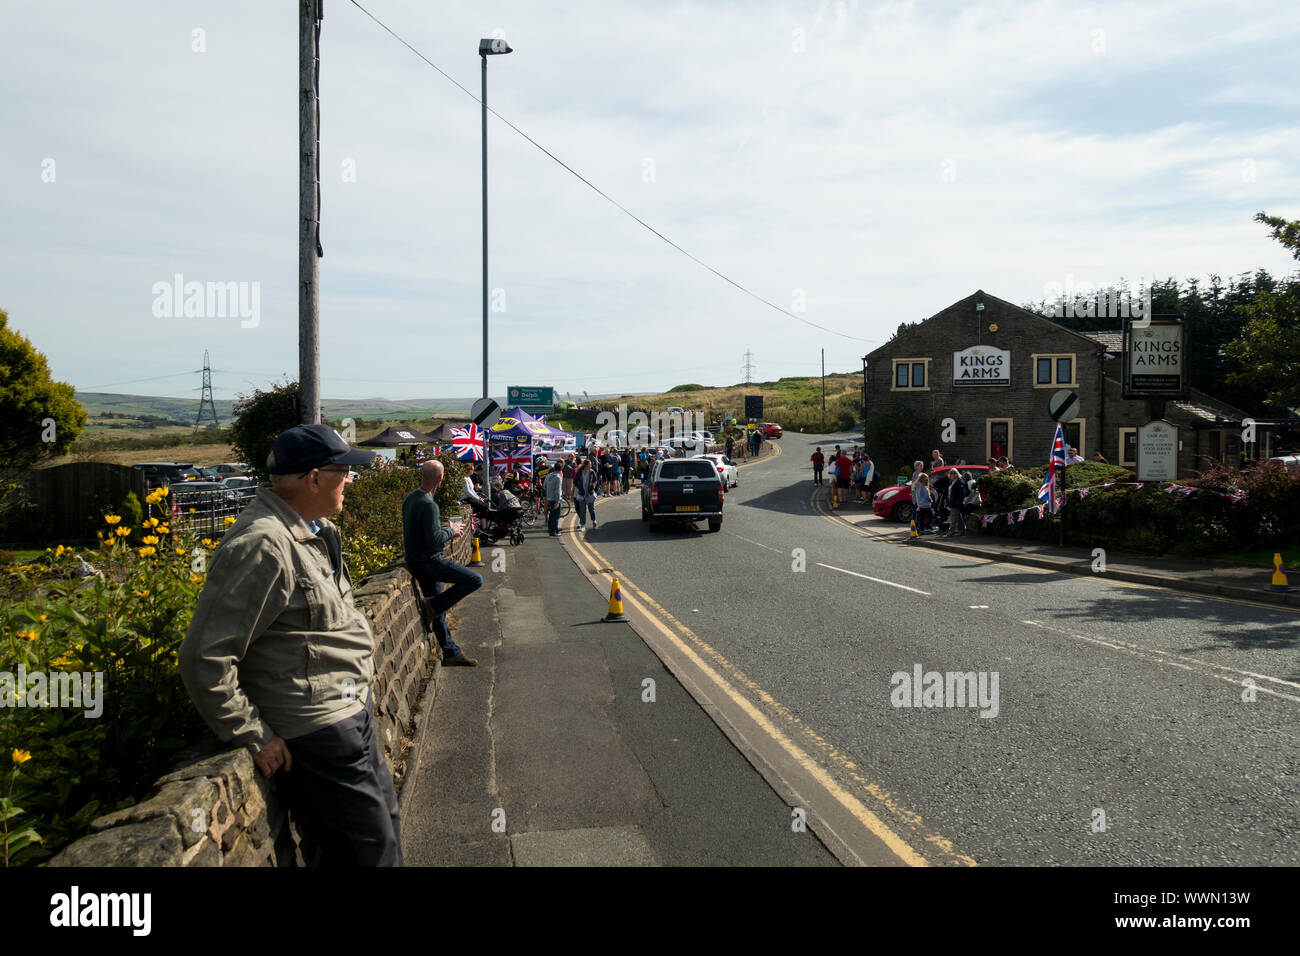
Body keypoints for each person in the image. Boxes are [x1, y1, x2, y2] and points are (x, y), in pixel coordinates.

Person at [179, 423, 403, 866]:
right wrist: (251, 732)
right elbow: (204, 656)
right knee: (369, 854)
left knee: (384, 833)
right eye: (344, 471)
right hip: (317, 728)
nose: (351, 480)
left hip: (348, 710)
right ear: (313, 478)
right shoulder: (263, 544)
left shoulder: (312, 530)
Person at [403, 460, 482, 667]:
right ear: (441, 477)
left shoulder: (412, 498)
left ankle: (450, 652)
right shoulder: (429, 504)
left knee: (438, 608)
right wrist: (452, 530)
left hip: (415, 559)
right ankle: (433, 607)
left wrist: (444, 529)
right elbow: (435, 539)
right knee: (475, 579)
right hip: (429, 561)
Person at [945, 468, 968, 537]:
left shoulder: (959, 482)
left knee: (953, 518)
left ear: (957, 474)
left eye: (954, 473)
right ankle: (962, 531)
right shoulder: (952, 482)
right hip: (952, 502)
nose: (952, 474)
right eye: (951, 473)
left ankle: (951, 532)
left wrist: (958, 502)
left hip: (956, 503)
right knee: (958, 517)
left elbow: (962, 493)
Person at [575, 460, 597, 530]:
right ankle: (582, 524)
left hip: (590, 493)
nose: (590, 466)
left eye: (590, 465)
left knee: (591, 509)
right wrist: (579, 488)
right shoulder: (579, 472)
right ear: (585, 465)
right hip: (582, 493)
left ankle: (594, 521)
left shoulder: (591, 472)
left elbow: (595, 480)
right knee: (582, 510)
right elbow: (575, 481)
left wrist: (592, 487)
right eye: (589, 465)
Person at [543, 463, 563, 536]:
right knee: (556, 517)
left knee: (551, 515)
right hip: (555, 499)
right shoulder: (558, 477)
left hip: (549, 498)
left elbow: (544, 486)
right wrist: (557, 501)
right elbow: (557, 490)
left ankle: (552, 529)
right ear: (561, 469)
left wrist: (548, 494)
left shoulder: (548, 475)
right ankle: (553, 533)